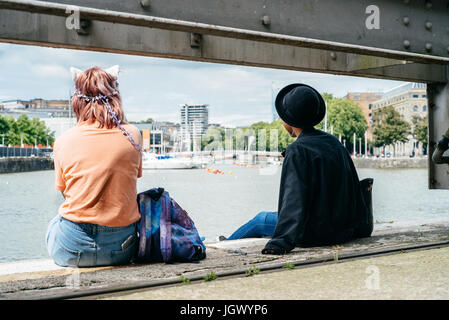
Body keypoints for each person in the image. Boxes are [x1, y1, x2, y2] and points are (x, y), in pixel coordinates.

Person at [222, 83, 373, 255]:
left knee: (260, 220)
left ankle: (225, 245)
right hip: (343, 230)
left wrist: (280, 242)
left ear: (287, 122)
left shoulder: (297, 150)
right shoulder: (334, 143)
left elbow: (294, 199)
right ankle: (228, 241)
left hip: (314, 233)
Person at [45, 65, 143, 267]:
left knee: (54, 223)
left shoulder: (63, 140)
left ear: (77, 100)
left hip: (72, 249)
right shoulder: (133, 134)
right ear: (115, 97)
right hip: (122, 249)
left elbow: (66, 192)